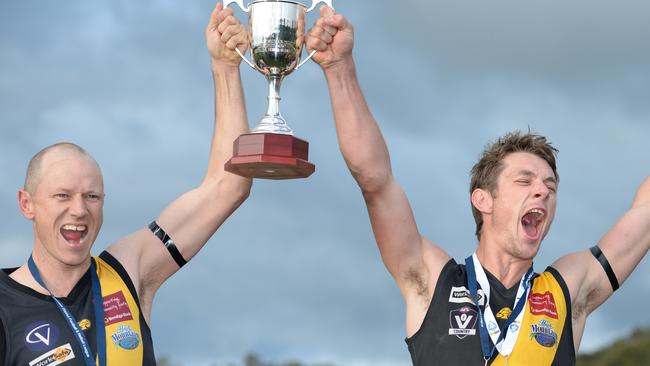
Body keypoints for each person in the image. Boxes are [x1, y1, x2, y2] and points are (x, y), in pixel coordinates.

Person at [306, 6, 650, 365]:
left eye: (551, 186)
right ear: (483, 199)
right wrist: (338, 69)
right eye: (524, 180)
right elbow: (375, 182)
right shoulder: (432, 280)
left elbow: (644, 214)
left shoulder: (566, 290)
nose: (543, 191)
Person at [0, 3, 251, 365]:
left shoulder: (126, 269)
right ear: (27, 204)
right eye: (62, 195)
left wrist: (225, 67)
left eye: (92, 196)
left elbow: (228, 187)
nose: (79, 209)